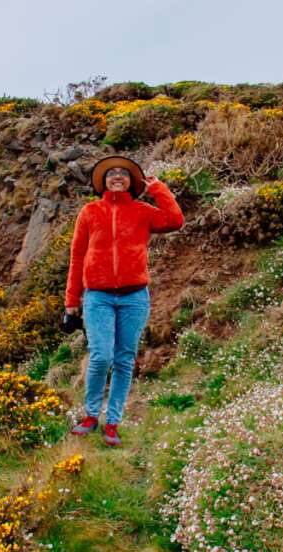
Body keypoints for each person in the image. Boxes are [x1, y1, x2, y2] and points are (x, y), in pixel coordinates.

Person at [64, 155, 184, 446]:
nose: (117, 176)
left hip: (134, 298)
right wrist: (71, 300)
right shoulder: (90, 212)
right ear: (103, 182)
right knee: (101, 356)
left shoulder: (143, 211)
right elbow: (78, 255)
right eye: (110, 174)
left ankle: (113, 422)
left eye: (123, 174)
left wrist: (158, 189)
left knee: (124, 361)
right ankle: (91, 416)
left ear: (132, 182)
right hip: (98, 297)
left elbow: (175, 220)